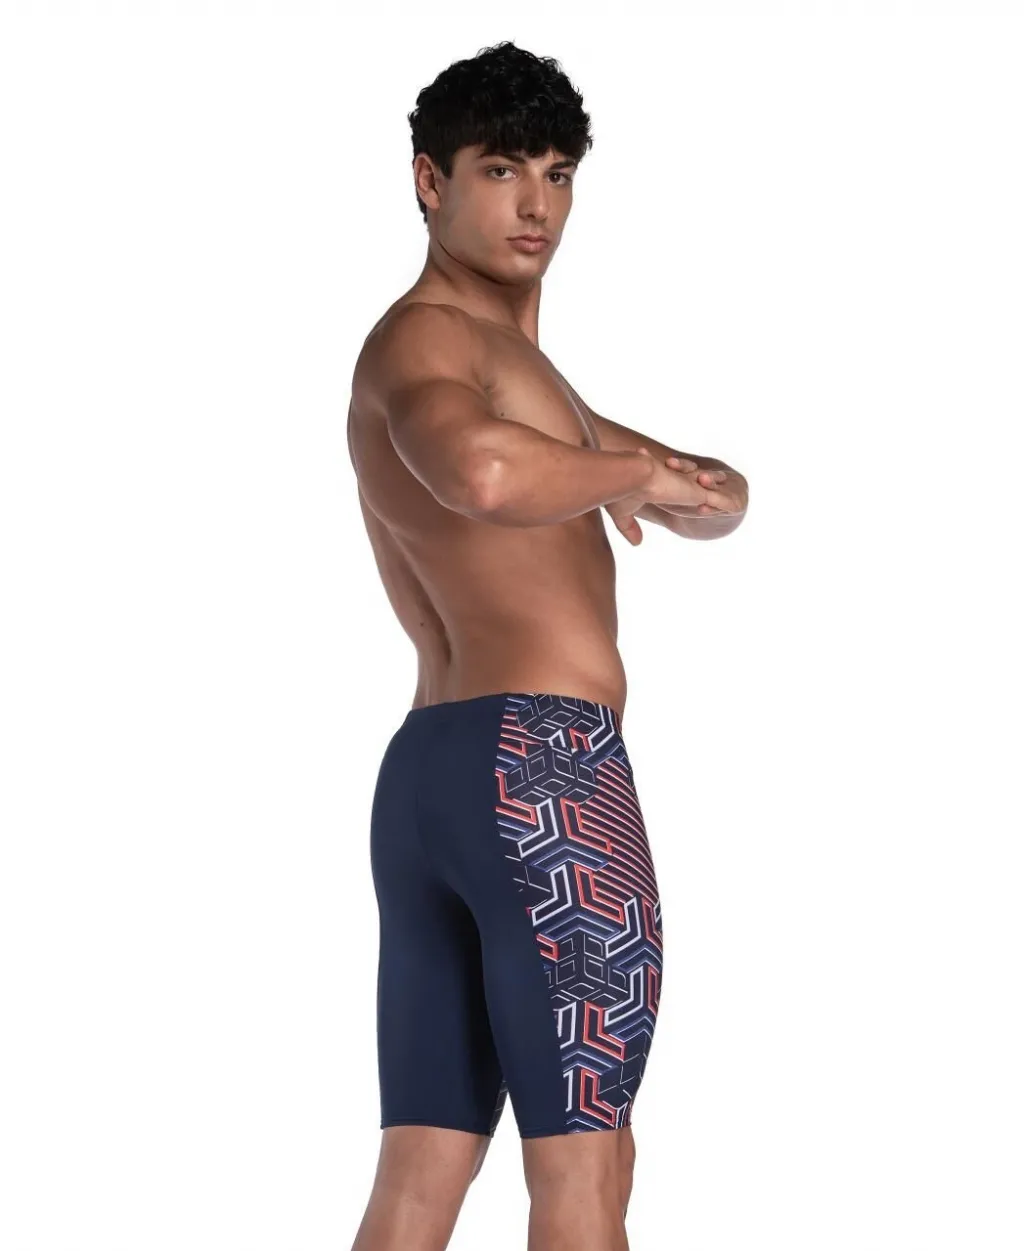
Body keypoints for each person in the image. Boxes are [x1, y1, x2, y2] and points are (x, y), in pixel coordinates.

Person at [346, 39, 748, 1251]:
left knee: (421, 1174)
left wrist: (649, 474)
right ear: (430, 181)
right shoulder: (426, 343)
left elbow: (718, 496)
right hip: (543, 777)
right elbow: (479, 473)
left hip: (435, 778)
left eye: (557, 173)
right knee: (585, 1169)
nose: (535, 205)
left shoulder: (527, 379)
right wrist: (628, 474)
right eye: (501, 169)